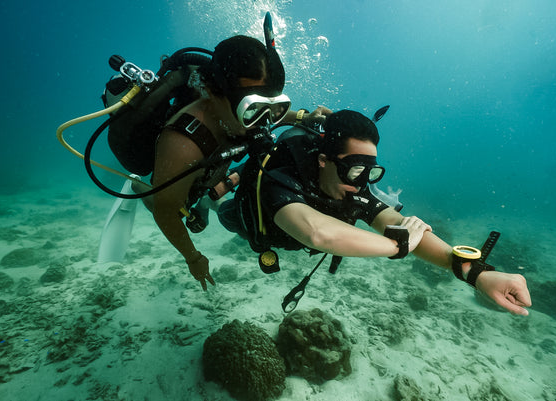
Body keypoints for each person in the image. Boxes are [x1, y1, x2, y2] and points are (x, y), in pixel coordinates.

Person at [217, 109, 532, 316]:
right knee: (220, 212)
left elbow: (399, 225)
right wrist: (398, 244)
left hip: (298, 232)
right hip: (247, 220)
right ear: (324, 159)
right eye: (355, 170)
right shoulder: (281, 179)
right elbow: (318, 233)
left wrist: (477, 274)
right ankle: (212, 195)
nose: (362, 184)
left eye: (371, 172)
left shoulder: (354, 186)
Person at [132, 33, 324, 291]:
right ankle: (135, 185)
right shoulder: (183, 145)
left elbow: (267, 113)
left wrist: (302, 116)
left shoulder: (241, 111)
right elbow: (164, 213)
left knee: (204, 200)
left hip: (209, 174)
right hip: (179, 181)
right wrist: (193, 257)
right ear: (213, 92)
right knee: (169, 205)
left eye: (273, 105)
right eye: (252, 107)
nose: (264, 119)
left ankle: (204, 200)